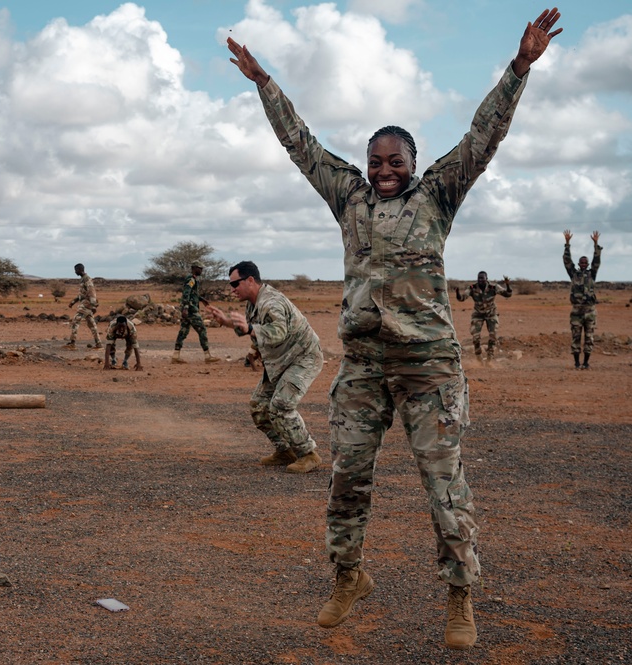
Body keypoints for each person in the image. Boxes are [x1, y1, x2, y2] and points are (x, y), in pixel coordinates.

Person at [228, 7, 562, 650]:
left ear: (413, 162)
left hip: (428, 363)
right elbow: (302, 145)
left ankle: (460, 594)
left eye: (396, 160)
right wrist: (265, 83)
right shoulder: (347, 197)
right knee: (347, 474)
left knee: (443, 483)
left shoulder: (436, 194)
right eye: (376, 160)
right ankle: (349, 576)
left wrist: (519, 68)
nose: (384, 170)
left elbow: (480, 139)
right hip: (364, 365)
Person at [207, 261, 323, 473]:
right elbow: (253, 329)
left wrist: (249, 327)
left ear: (250, 280)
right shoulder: (253, 303)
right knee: (259, 406)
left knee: (281, 405)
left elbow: (278, 331)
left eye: (235, 284)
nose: (232, 290)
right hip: (281, 361)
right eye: (230, 285)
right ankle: (284, 451)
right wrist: (226, 322)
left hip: (302, 358)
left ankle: (308, 454)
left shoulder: (271, 302)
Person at [564, 230, 601, 369]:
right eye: (582, 262)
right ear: (579, 264)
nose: (584, 264)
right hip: (576, 311)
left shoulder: (592, 274)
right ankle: (576, 362)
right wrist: (567, 244)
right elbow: (567, 261)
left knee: (589, 337)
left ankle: (586, 362)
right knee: (576, 337)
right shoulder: (574, 273)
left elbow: (597, 260)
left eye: (586, 262)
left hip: (590, 311)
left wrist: (596, 244)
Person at [455, 272, 512, 362]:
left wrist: (508, 285)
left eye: (482, 278)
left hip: (491, 314)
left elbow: (508, 294)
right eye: (479, 278)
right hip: (478, 314)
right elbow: (462, 298)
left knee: (493, 337)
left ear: (486, 278)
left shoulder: (493, 287)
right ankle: (479, 358)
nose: (480, 280)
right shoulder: (472, 288)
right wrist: (457, 293)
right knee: (476, 337)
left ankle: (490, 358)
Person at [172, 261, 219, 364]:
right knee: (202, 330)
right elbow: (186, 293)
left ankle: (176, 355)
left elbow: (193, 293)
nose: (201, 270)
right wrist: (186, 307)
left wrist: (202, 299)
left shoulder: (194, 279)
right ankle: (207, 356)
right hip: (191, 310)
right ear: (194, 268)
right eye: (200, 268)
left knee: (183, 331)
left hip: (189, 309)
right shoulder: (191, 279)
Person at [64, 263, 102, 349]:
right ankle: (98, 344)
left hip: (86, 305)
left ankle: (72, 343)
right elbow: (82, 294)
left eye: (76, 270)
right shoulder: (83, 279)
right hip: (86, 305)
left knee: (75, 322)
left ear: (80, 270)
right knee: (92, 325)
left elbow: (92, 293)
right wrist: (73, 302)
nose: (75, 272)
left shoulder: (87, 279)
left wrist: (94, 306)